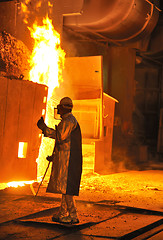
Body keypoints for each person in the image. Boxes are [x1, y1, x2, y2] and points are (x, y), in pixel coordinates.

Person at [37, 97, 83, 224]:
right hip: (66, 159)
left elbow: (60, 136)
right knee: (65, 188)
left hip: (70, 161)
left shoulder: (69, 121)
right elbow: (64, 142)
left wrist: (44, 128)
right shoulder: (68, 120)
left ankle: (73, 215)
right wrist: (55, 156)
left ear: (64, 108)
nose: (58, 110)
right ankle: (63, 213)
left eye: (60, 108)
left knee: (67, 189)